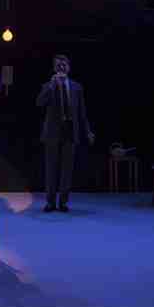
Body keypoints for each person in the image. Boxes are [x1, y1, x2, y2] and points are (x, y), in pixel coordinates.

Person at [36, 54, 95, 212]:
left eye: (64, 65)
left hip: (70, 131)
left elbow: (82, 112)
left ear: (68, 67)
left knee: (67, 169)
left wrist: (88, 131)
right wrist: (52, 85)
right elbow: (39, 102)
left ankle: (63, 202)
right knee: (51, 168)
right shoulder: (48, 85)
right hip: (52, 132)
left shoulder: (76, 87)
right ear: (54, 68)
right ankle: (50, 202)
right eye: (58, 65)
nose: (61, 67)